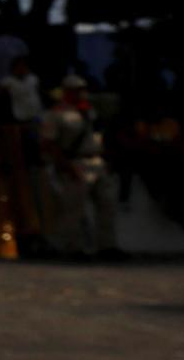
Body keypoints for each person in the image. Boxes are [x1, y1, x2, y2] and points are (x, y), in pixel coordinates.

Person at [39, 75, 123, 258]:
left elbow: (103, 135)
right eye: (75, 90)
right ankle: (72, 247)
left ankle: (107, 246)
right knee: (73, 209)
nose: (80, 93)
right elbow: (49, 143)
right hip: (75, 162)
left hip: (97, 161)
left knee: (107, 205)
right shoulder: (57, 114)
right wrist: (65, 165)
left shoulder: (91, 111)